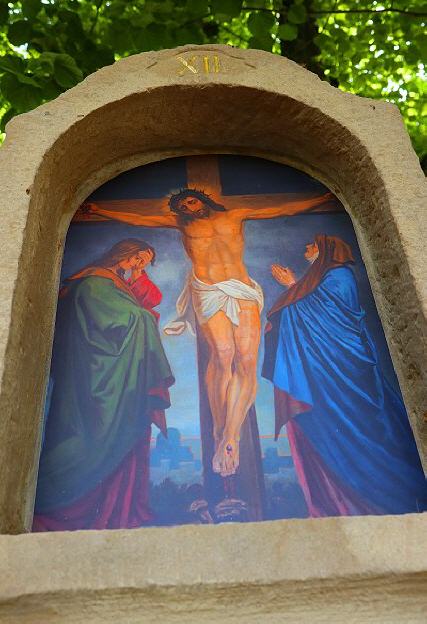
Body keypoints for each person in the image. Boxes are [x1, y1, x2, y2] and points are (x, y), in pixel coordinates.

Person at [82, 187, 335, 477]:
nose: (189, 207)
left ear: (203, 200)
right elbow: (140, 218)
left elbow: (282, 208)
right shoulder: (182, 225)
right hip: (208, 290)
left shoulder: (236, 215)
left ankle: (231, 435)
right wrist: (100, 209)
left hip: (242, 289)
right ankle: (219, 429)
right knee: (223, 354)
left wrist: (322, 199)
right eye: (183, 206)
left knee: (246, 360)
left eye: (192, 201)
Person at [262, 234, 427, 516]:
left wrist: (291, 285)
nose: (307, 248)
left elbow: (331, 318)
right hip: (328, 369)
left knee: (362, 431)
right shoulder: (321, 278)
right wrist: (296, 287)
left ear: (326, 249)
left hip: (345, 368)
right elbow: (312, 308)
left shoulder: (339, 276)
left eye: (312, 245)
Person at [33, 239, 175, 530]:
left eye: (145, 262)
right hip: (98, 380)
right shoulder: (94, 283)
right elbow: (129, 318)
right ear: (123, 253)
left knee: (126, 434)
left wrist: (138, 278)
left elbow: (148, 300)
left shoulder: (115, 283)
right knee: (92, 436)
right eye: (137, 258)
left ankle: (120, 513)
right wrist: (144, 318)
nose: (139, 265)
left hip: (113, 375)